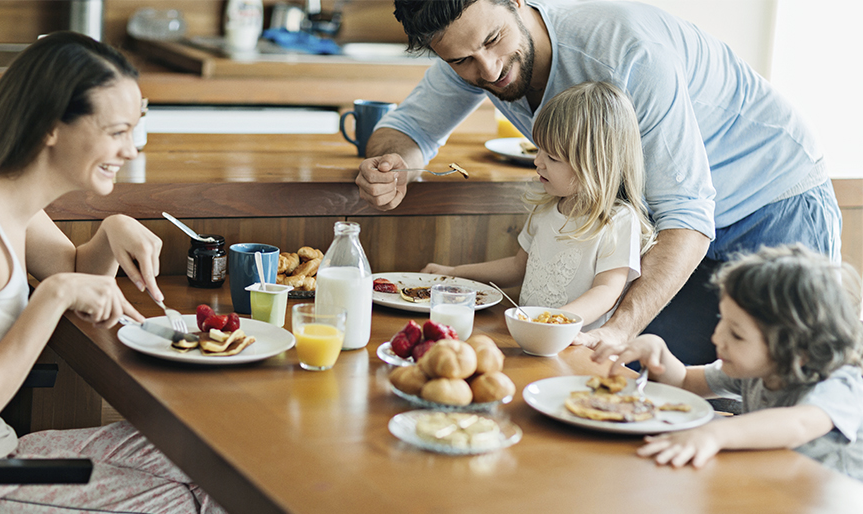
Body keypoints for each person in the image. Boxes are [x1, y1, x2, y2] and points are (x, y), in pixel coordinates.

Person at [355, 0, 841, 366]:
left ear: (518, 2)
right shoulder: (469, 53)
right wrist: (389, 164)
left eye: (493, 41)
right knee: (645, 384)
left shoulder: (627, 54)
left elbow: (688, 215)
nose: (488, 70)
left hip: (773, 201)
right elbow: (409, 130)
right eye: (461, 61)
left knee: (786, 387)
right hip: (665, 230)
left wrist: (622, 327)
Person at [0, 32, 226, 513]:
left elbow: (75, 269)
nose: (130, 150)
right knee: (191, 498)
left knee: (221, 456)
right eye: (116, 131)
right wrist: (53, 295)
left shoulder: (3, 198)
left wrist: (110, 232)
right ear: (49, 126)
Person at [593, 245, 863, 479]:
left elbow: (798, 425)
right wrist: (659, 353)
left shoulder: (839, 383)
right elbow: (686, 382)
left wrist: (715, 434)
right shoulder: (755, 368)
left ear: (797, 350)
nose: (717, 337)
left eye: (737, 334)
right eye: (723, 320)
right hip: (777, 481)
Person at [422, 81, 654, 330]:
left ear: (596, 166)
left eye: (552, 157)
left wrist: (552, 321)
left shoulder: (618, 221)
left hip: (576, 348)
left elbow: (607, 291)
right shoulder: (545, 207)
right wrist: (455, 272)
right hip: (530, 335)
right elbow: (516, 266)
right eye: (538, 149)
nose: (537, 161)